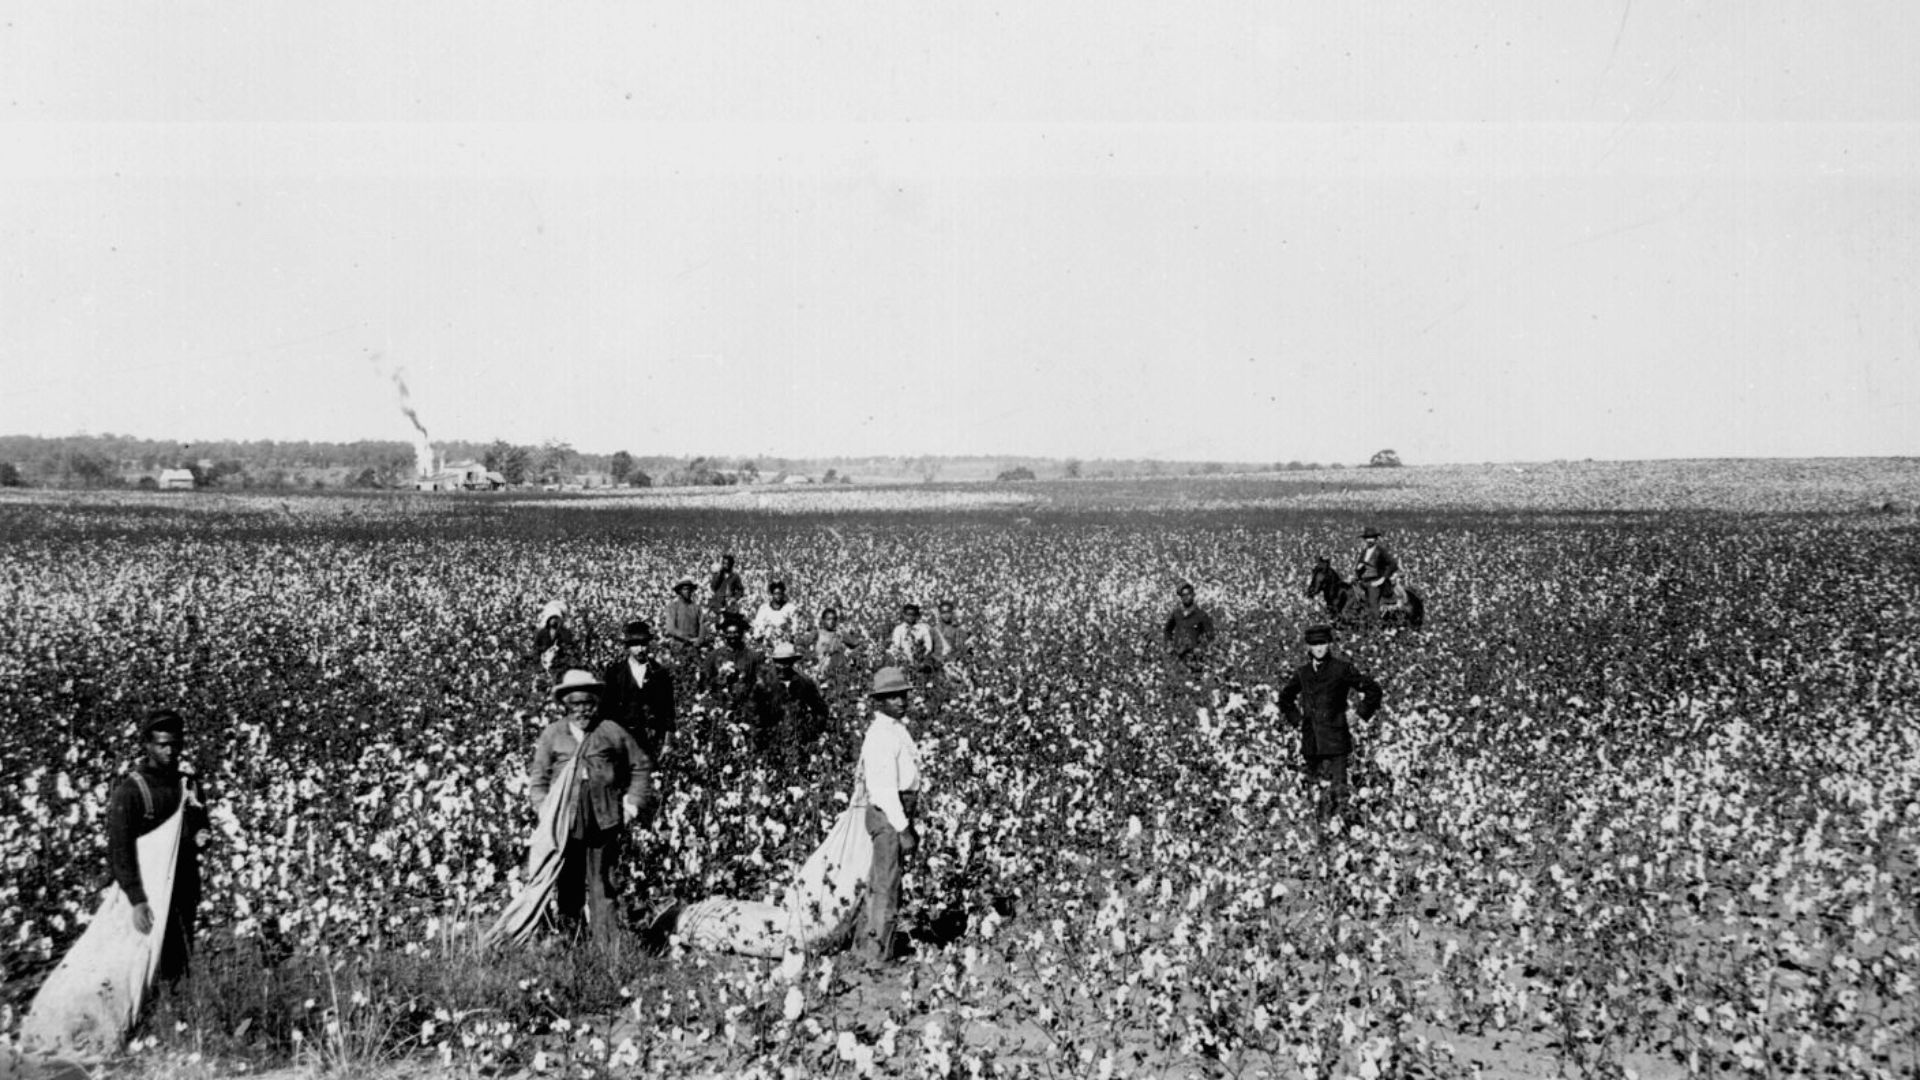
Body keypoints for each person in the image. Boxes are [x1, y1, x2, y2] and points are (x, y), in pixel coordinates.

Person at [528, 670, 657, 942]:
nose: (582, 710)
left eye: (587, 703)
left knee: (603, 883)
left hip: (604, 817)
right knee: (569, 882)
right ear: (566, 706)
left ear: (594, 703)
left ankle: (606, 948)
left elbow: (641, 765)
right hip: (566, 819)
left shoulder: (610, 730)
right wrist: (544, 810)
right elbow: (538, 778)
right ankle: (572, 940)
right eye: (575, 705)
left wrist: (632, 804)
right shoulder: (553, 734)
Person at [106, 710, 207, 983]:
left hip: (183, 887)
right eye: (162, 744)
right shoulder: (131, 791)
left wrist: (200, 837)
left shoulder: (189, 785)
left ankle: (175, 1016)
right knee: (139, 964)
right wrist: (137, 899)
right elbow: (120, 849)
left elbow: (199, 824)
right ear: (148, 746)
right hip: (147, 891)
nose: (170, 750)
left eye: (175, 744)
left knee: (177, 959)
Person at [1276, 625, 1383, 824]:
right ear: (1308, 647)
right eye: (1315, 644)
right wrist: (1298, 721)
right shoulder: (1303, 673)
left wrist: (1358, 713)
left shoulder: (1341, 669)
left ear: (1329, 644)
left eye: (1323, 643)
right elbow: (1285, 699)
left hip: (1336, 740)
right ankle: (1317, 834)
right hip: (1312, 741)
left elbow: (1373, 690)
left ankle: (1342, 833)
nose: (1319, 648)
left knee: (1339, 790)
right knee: (1315, 791)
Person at [856, 667, 921, 962]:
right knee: (885, 884)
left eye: (902, 695)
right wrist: (903, 828)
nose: (900, 701)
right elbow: (883, 791)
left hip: (898, 811)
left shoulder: (896, 728)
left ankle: (874, 945)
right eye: (891, 696)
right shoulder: (881, 734)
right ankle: (876, 954)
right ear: (878, 702)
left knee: (885, 880)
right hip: (888, 814)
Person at [599, 619, 678, 767]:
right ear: (627, 646)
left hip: (650, 742)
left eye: (643, 644)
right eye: (635, 645)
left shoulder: (660, 673)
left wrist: (667, 743)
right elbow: (605, 709)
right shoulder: (615, 673)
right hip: (620, 741)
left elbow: (668, 711)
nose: (640, 649)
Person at [751, 642, 831, 772]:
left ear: (793, 662)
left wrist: (810, 733)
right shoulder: (763, 685)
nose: (782, 667)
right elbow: (755, 715)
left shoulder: (804, 683)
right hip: (771, 744)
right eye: (779, 662)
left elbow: (821, 711)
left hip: (798, 743)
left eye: (787, 662)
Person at [700, 612, 765, 714]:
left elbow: (758, 682)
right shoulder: (713, 656)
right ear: (724, 634)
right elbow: (705, 680)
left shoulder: (752, 656)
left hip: (745, 705)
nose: (732, 636)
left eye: (736, 633)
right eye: (729, 633)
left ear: (741, 633)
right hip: (720, 705)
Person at [1162, 582, 1216, 676]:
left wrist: (1203, 650)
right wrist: (1169, 645)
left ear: (1193, 595)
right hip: (1178, 655)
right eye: (1183, 595)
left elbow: (1210, 636)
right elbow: (1167, 630)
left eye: (1188, 594)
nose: (1186, 597)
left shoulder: (1201, 615)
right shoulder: (1177, 613)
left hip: (1194, 658)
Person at [1354, 527, 1400, 624]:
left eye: (1372, 538)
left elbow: (1393, 564)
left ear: (1375, 539)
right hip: (1363, 580)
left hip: (1375, 581)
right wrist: (1358, 568)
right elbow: (1358, 567)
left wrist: (1383, 579)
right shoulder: (1364, 551)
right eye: (1367, 538)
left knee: (1372, 601)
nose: (1369, 540)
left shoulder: (1381, 551)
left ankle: (1375, 623)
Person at [660, 579, 709, 662]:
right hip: (679, 646)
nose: (688, 591)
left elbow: (702, 625)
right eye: (685, 589)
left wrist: (699, 640)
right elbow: (671, 629)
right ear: (679, 591)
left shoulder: (696, 608)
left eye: (689, 589)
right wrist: (687, 638)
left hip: (694, 646)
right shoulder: (673, 607)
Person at [532, 600, 578, 678]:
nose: (553, 620)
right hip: (544, 666)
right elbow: (536, 648)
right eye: (551, 618)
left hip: (561, 666)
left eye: (556, 618)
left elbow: (570, 646)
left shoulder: (565, 632)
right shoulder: (542, 633)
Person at [887, 603, 936, 674]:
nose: (910, 617)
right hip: (904, 662)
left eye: (913, 615)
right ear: (904, 615)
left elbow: (929, 647)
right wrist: (903, 660)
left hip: (920, 661)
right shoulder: (899, 629)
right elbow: (896, 647)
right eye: (908, 614)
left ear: (917, 616)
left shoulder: (923, 628)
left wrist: (921, 660)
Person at [750, 579, 800, 646]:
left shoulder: (790, 607)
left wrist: (791, 635)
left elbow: (795, 624)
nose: (778, 596)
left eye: (780, 593)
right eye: (776, 593)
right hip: (769, 641)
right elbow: (758, 625)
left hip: (786, 641)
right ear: (772, 594)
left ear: (783, 594)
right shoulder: (764, 608)